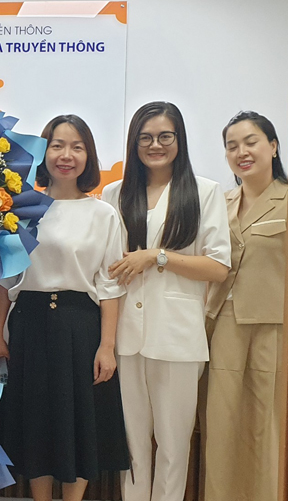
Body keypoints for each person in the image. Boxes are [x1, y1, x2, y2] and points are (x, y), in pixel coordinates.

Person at [0, 115, 129, 501]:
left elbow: (110, 286)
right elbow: (4, 280)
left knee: (78, 420)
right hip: (29, 324)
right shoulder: (21, 209)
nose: (67, 155)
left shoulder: (103, 214)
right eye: (57, 146)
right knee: (37, 421)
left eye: (77, 147)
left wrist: (107, 346)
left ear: (88, 156)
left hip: (80, 326)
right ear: (43, 153)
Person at [102, 101, 230, 501]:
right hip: (127, 336)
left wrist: (157, 257)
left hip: (177, 337)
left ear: (179, 140)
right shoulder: (114, 194)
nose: (155, 145)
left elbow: (218, 267)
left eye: (164, 136)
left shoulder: (205, 192)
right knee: (133, 445)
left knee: (174, 445)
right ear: (134, 143)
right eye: (145, 138)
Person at [202, 111, 287, 501]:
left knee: (265, 427)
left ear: (273, 146)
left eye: (251, 142)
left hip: (273, 328)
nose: (242, 152)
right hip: (222, 325)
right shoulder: (220, 203)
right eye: (232, 146)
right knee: (221, 427)